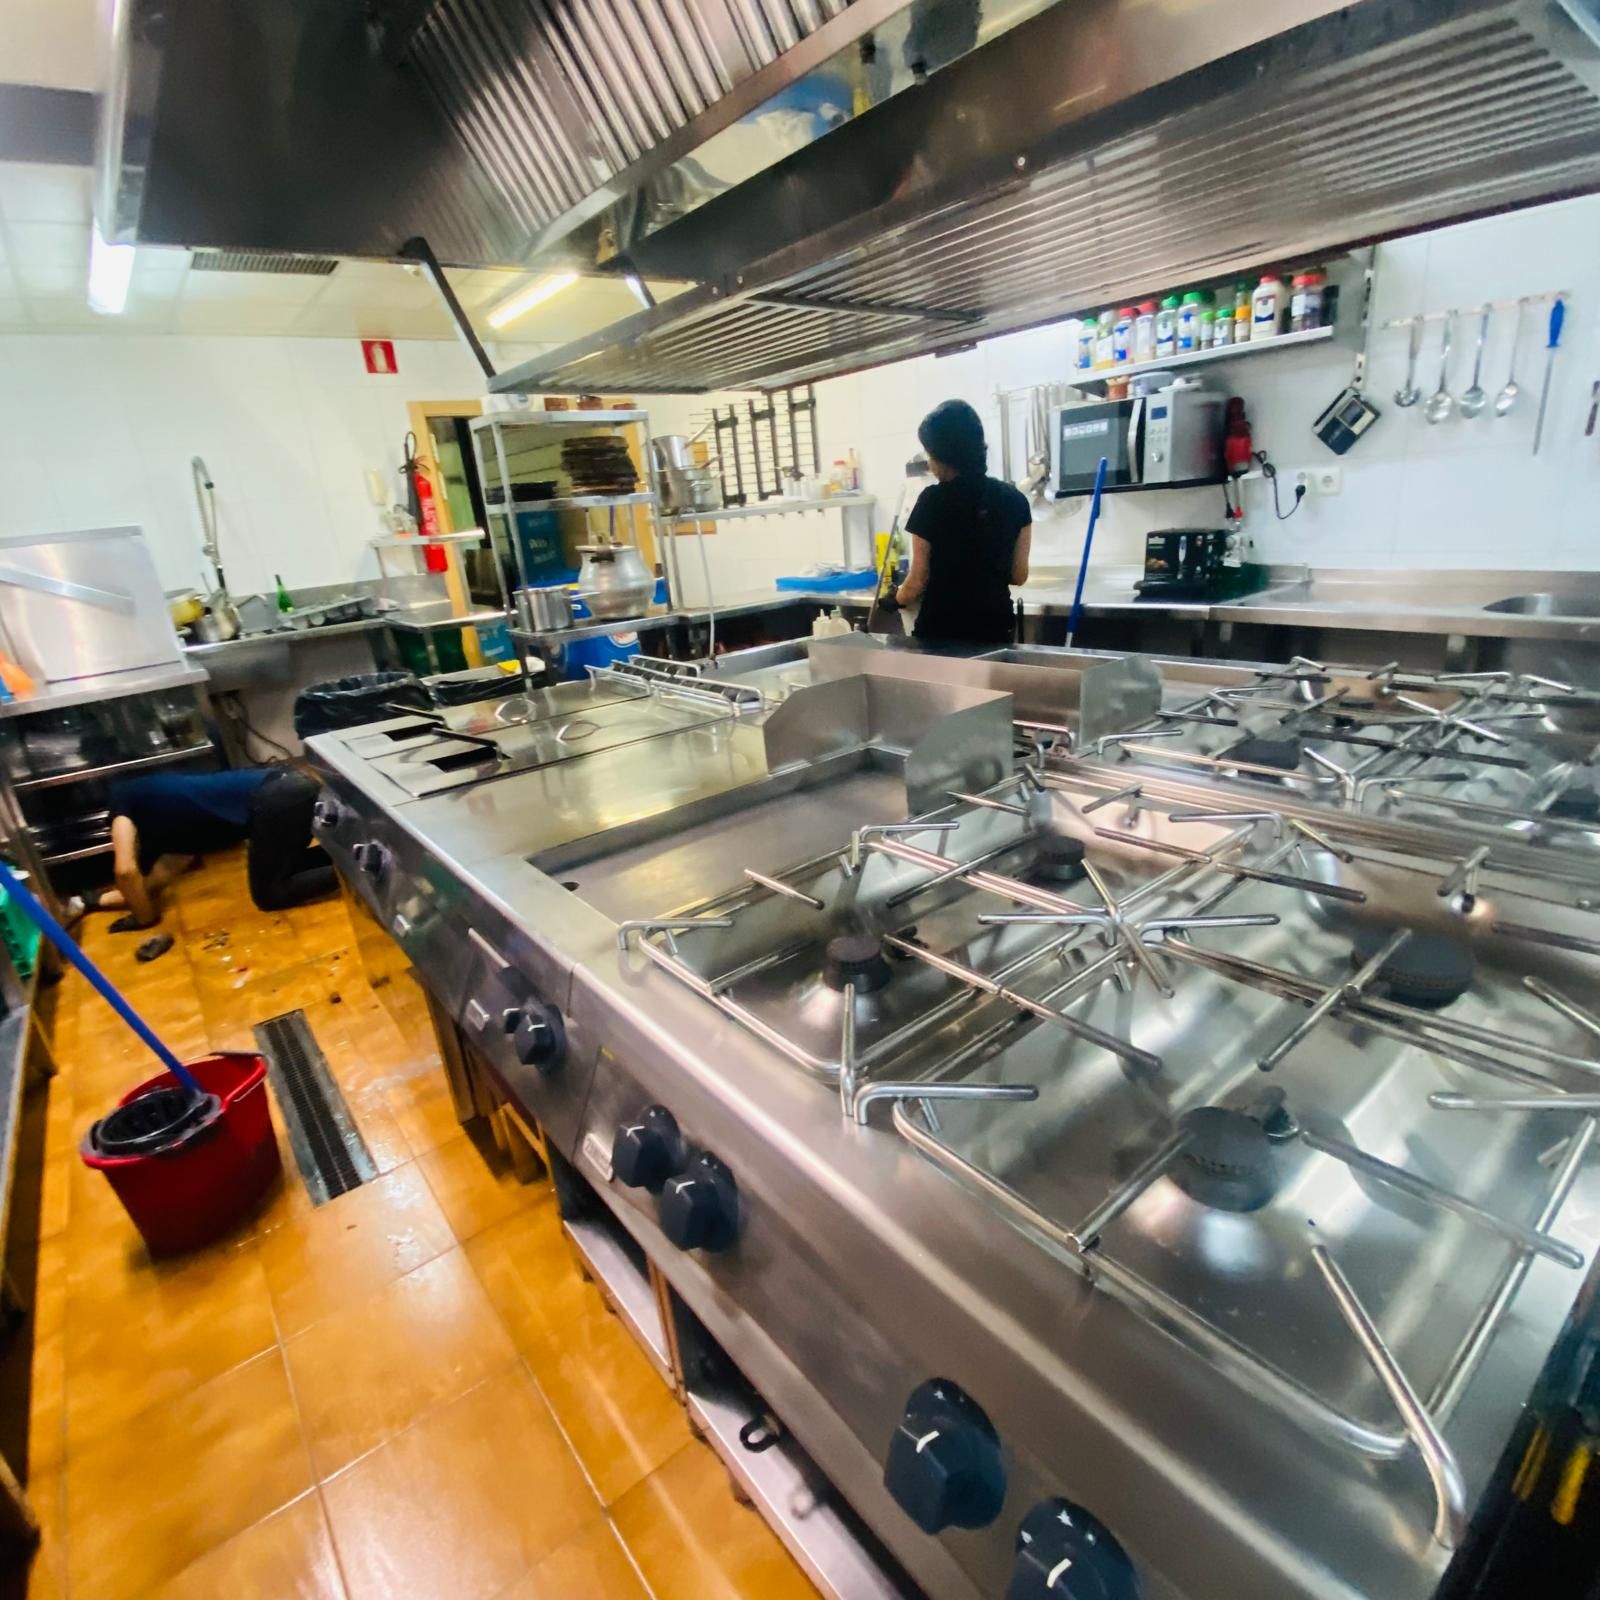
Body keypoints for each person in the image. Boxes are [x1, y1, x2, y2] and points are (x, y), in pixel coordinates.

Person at [90, 767, 336, 928]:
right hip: (288, 784)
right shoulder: (158, 820)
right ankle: (345, 861)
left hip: (278, 797)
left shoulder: (121, 803)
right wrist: (90, 901)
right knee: (284, 868)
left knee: (269, 895)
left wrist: (143, 919)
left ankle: (352, 872)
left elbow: (125, 871)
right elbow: (144, 883)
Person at [887, 399, 1032, 647]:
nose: (930, 463)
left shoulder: (932, 500)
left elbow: (918, 580)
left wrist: (895, 599)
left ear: (942, 457)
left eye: (930, 454)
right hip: (995, 632)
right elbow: (1018, 575)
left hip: (942, 635)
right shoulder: (1015, 500)